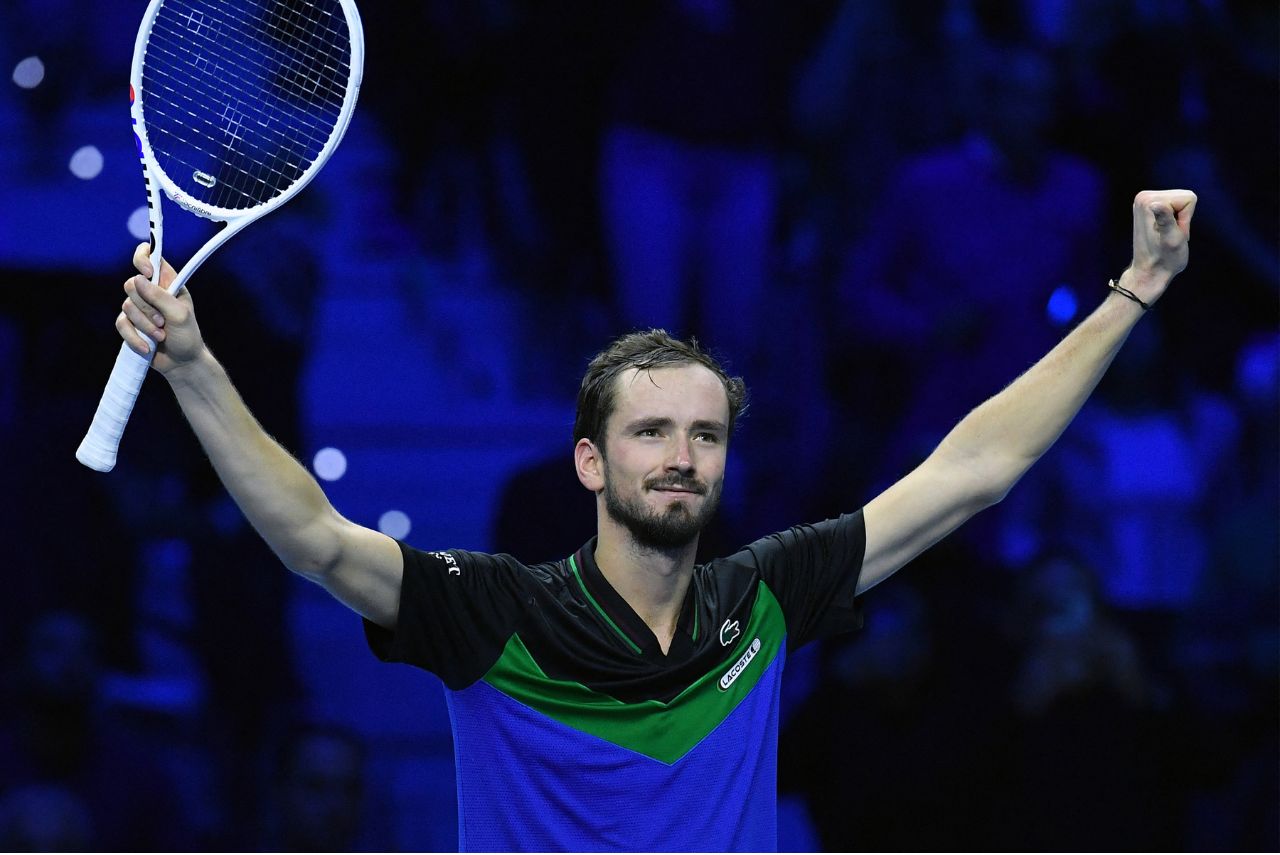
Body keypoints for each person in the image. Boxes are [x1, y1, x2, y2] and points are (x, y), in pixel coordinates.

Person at [109, 189, 1196, 851]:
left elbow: (977, 468)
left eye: (705, 435)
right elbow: (311, 536)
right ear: (590, 461)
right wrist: (194, 366)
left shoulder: (764, 597)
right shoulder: (495, 610)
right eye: (650, 432)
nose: (680, 456)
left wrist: (1135, 289)